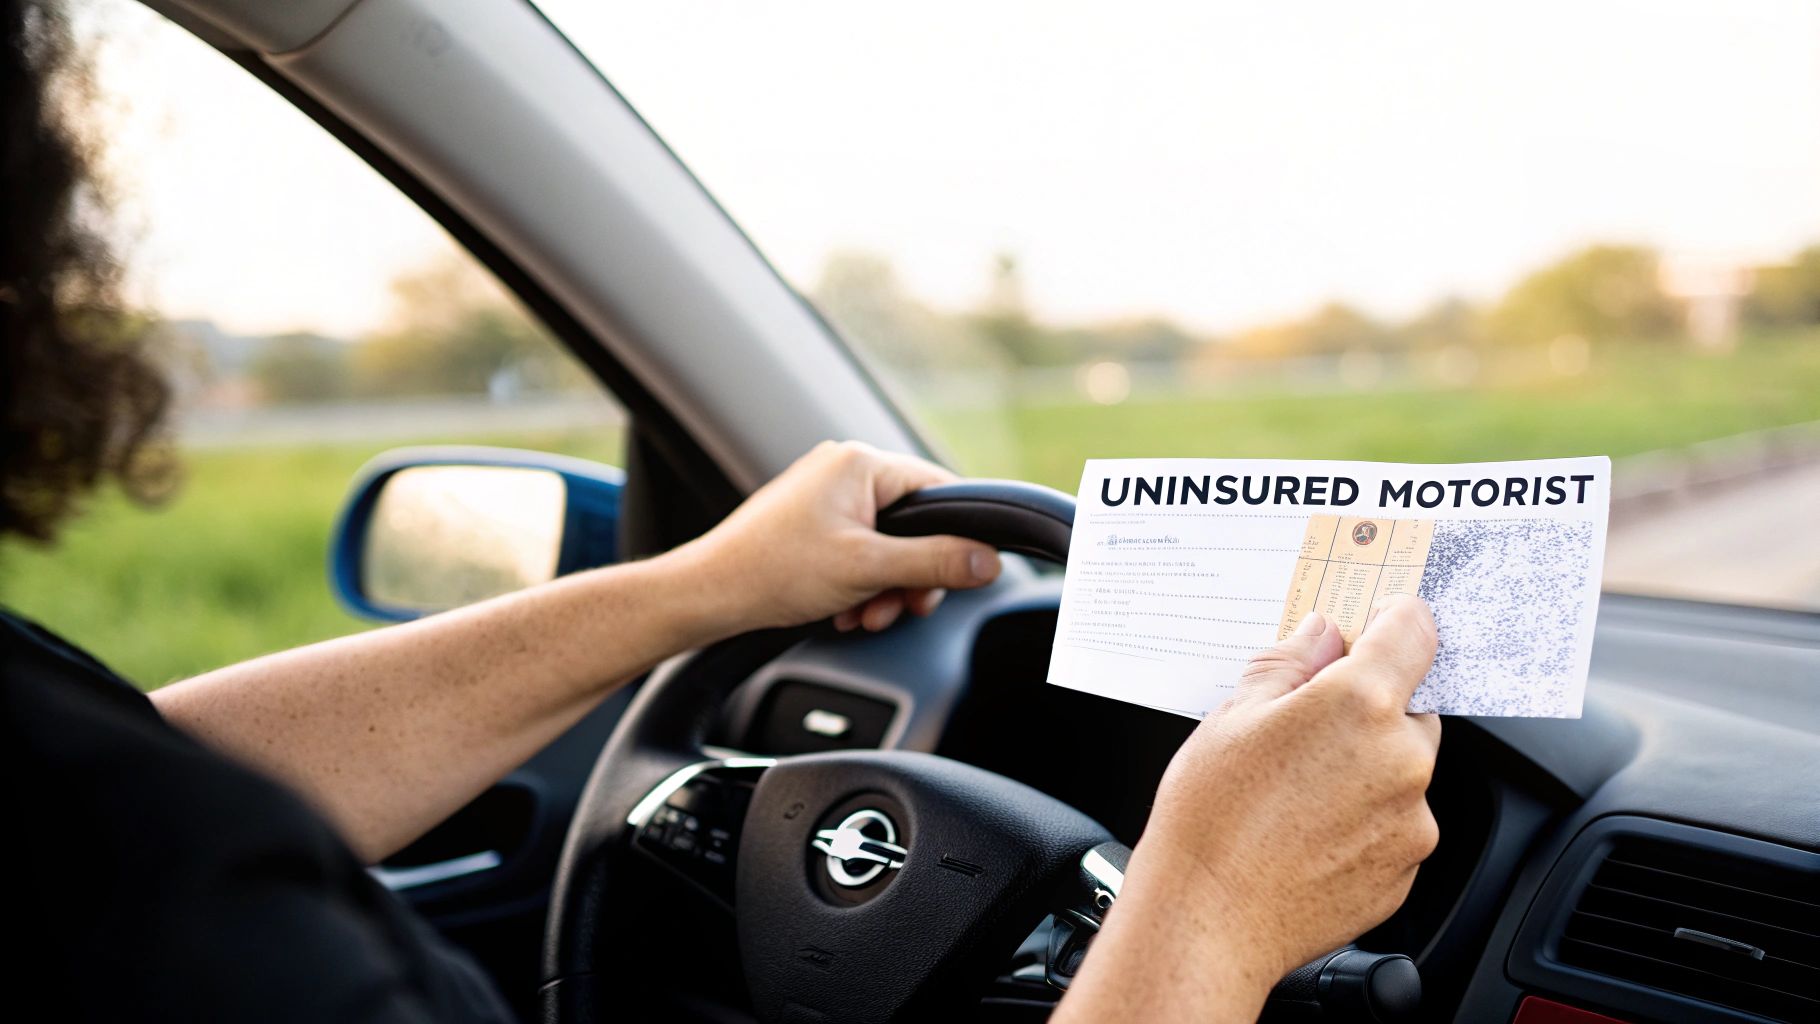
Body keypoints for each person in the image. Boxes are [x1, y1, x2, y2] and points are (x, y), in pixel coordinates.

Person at [1, 2, 1439, 1020]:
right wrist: (1201, 919)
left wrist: (700, 587)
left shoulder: (105, 829)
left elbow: (154, 768)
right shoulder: (186, 929)